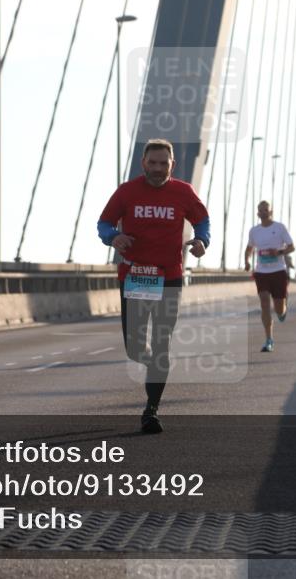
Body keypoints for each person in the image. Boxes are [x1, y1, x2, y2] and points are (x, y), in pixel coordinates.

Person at [97, 139, 209, 434]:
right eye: (153, 163)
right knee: (135, 348)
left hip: (169, 278)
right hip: (134, 277)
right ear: (143, 163)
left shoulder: (184, 192)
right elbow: (104, 223)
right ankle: (151, 362)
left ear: (172, 165)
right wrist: (113, 237)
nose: (158, 169)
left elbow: (203, 221)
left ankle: (151, 410)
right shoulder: (127, 191)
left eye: (164, 164)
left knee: (161, 346)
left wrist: (201, 241)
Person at [245, 201, 294, 352]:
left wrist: (278, 253)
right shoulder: (254, 231)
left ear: (271, 211)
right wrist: (246, 261)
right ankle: (269, 339)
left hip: (278, 271)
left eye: (266, 210)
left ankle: (283, 307)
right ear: (258, 213)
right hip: (261, 272)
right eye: (260, 210)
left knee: (279, 309)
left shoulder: (279, 227)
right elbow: (249, 248)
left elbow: (291, 247)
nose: (263, 212)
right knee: (264, 302)